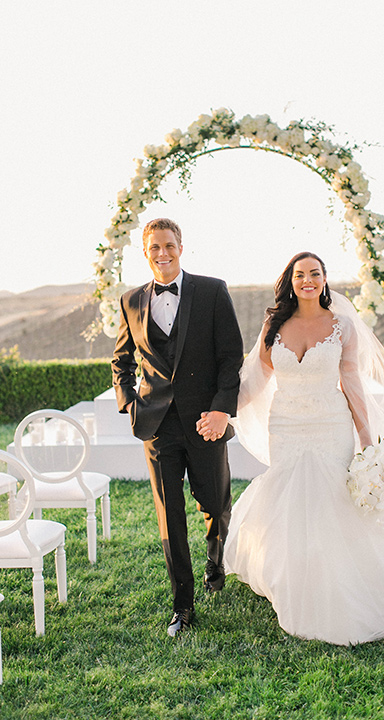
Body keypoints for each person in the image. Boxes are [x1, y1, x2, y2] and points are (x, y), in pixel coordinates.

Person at [224, 252, 384, 645]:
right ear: (291, 280)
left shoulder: (342, 325)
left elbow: (351, 381)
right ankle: (296, 580)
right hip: (285, 427)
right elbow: (255, 381)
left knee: (332, 502)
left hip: (330, 425)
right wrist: (222, 411)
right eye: (300, 274)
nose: (308, 280)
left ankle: (342, 586)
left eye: (315, 274)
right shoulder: (275, 325)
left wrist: (367, 439)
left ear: (324, 279)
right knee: (292, 504)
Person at [112, 218, 243, 637]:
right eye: (154, 248)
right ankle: (182, 604)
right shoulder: (131, 300)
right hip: (157, 425)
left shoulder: (212, 291)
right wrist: (130, 404)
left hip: (206, 421)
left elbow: (230, 357)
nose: (162, 254)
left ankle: (216, 555)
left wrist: (222, 410)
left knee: (215, 504)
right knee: (170, 518)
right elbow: (121, 361)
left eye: (169, 245)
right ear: (145, 252)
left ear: (181, 247)